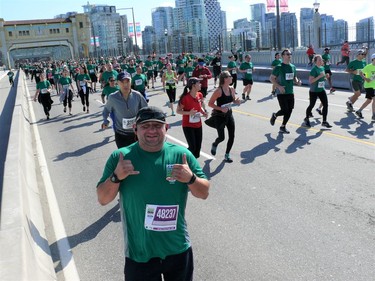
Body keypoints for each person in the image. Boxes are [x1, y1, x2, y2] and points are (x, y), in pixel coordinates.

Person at [96, 105, 210, 281]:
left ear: (166, 128)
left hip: (177, 249)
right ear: (135, 129)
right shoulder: (120, 157)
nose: (151, 130)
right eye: (145, 126)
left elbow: (204, 193)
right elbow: (103, 199)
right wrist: (116, 177)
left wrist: (191, 179)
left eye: (157, 125)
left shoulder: (182, 155)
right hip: (140, 253)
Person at [102, 71, 148, 148]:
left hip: (136, 134)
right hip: (121, 135)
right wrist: (105, 121)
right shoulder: (113, 97)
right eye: (122, 82)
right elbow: (106, 110)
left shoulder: (137, 95)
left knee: (137, 157)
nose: (125, 84)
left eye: (127, 81)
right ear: (118, 83)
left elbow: (145, 110)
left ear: (131, 82)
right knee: (124, 157)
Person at [208, 71, 241, 163]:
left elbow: (233, 100)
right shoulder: (218, 91)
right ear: (225, 79)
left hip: (229, 115)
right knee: (221, 138)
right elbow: (210, 103)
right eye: (230, 76)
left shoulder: (231, 89)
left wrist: (236, 101)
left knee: (232, 136)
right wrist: (220, 109)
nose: (232, 78)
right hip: (219, 116)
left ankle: (227, 155)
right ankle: (215, 144)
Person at [269, 49, 302, 134]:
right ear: (283, 56)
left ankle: (283, 126)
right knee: (284, 110)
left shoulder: (293, 67)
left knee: (290, 110)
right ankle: (275, 115)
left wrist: (297, 81)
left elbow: (295, 77)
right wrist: (279, 86)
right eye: (287, 54)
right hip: (281, 92)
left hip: (290, 92)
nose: (289, 55)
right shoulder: (279, 67)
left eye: (290, 54)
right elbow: (271, 78)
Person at [176, 77, 208, 158]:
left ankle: (193, 165)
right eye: (198, 83)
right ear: (193, 85)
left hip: (198, 124)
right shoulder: (185, 98)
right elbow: (178, 111)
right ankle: (182, 159)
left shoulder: (199, 95)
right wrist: (189, 113)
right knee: (192, 147)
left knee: (197, 149)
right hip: (188, 125)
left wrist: (203, 112)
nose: (201, 84)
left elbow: (199, 107)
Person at [304, 55, 332, 128]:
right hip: (314, 90)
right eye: (319, 60)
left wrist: (326, 77)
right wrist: (319, 76)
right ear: (315, 61)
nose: (321, 61)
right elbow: (311, 81)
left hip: (321, 89)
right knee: (311, 105)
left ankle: (324, 121)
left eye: (321, 60)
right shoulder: (314, 70)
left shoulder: (322, 68)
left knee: (325, 104)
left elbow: (322, 79)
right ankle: (306, 118)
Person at [356, 53, 375, 120]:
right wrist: (365, 78)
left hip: (374, 86)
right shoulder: (368, 67)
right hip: (369, 86)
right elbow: (360, 72)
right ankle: (374, 115)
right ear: (373, 59)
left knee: (369, 100)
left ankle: (359, 111)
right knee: (374, 99)